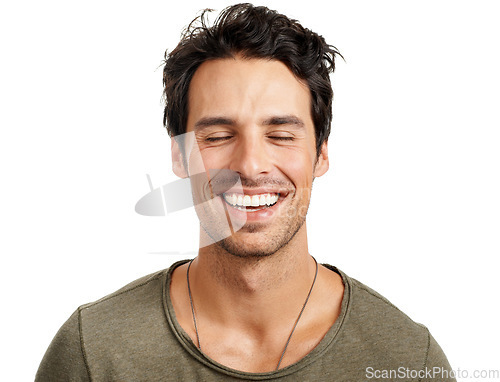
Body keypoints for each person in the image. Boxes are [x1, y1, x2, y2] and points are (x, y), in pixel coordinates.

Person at [35, 4, 455, 381]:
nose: (251, 165)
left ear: (321, 154)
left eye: (281, 134)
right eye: (218, 135)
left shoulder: (409, 362)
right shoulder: (92, 355)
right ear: (180, 157)